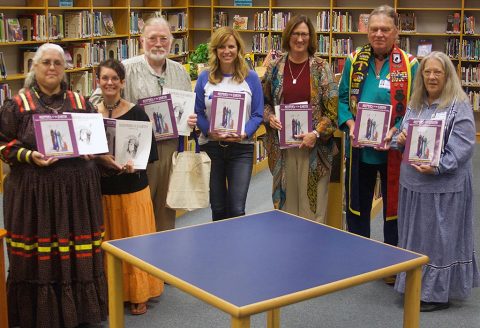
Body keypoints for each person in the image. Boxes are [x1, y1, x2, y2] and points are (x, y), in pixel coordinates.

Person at [0, 43, 107, 327]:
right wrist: (29, 155)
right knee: (40, 253)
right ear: (34, 68)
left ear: (64, 69)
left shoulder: (80, 102)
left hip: (78, 194)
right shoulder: (17, 105)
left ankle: (81, 313)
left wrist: (91, 149)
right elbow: (3, 144)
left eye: (57, 63)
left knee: (77, 250)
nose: (51, 68)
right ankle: (39, 315)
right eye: (45, 62)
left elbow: (95, 140)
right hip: (33, 195)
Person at [90, 17, 196, 232]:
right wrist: (126, 111)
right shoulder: (126, 69)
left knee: (166, 209)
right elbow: (95, 103)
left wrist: (191, 120)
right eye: (152, 38)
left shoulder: (180, 71)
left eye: (164, 39)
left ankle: (163, 256)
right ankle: (139, 260)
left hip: (169, 150)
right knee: (138, 210)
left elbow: (187, 108)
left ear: (171, 41)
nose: (158, 44)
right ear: (141, 41)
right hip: (135, 152)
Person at [393, 51, 480, 312]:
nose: (431, 77)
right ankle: (414, 285)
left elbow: (464, 146)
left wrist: (439, 166)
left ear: (447, 76)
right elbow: (405, 134)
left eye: (437, 72)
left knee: (440, 240)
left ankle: (436, 293)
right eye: (427, 72)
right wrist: (400, 139)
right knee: (415, 237)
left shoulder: (459, 104)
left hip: (443, 187)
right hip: (414, 185)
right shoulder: (416, 102)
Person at [337, 5, 419, 255]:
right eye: (374, 29)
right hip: (360, 148)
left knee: (393, 205)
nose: (379, 34)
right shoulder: (354, 61)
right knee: (358, 204)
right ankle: (359, 255)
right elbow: (341, 99)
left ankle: (392, 258)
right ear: (367, 32)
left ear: (396, 32)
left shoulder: (409, 64)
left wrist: (396, 130)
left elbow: (415, 107)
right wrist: (350, 125)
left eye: (385, 29)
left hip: (394, 150)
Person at [95, 59, 163, 316]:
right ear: (98, 82)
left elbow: (150, 153)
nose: (110, 83)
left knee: (135, 241)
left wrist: (137, 165)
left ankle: (138, 293)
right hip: (103, 189)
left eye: (115, 78)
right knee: (107, 242)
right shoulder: (91, 114)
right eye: (105, 78)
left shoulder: (137, 113)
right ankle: (109, 292)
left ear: (123, 82)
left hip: (132, 188)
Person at [262, 15, 338, 223]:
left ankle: (311, 251)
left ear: (310, 37)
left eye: (304, 34)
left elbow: (332, 113)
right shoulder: (275, 68)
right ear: (288, 36)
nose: (300, 39)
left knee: (311, 208)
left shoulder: (322, 68)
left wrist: (315, 133)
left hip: (314, 148)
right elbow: (264, 103)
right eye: (296, 33)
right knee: (286, 204)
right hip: (282, 147)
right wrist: (270, 118)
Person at [195, 27, 263, 221]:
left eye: (231, 46)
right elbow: (198, 112)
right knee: (217, 207)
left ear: (238, 48)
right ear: (215, 50)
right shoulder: (204, 77)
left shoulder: (251, 77)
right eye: (222, 46)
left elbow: (258, 114)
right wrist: (210, 132)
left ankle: (236, 249)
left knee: (236, 208)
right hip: (211, 147)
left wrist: (243, 133)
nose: (227, 51)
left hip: (241, 149)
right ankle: (219, 248)